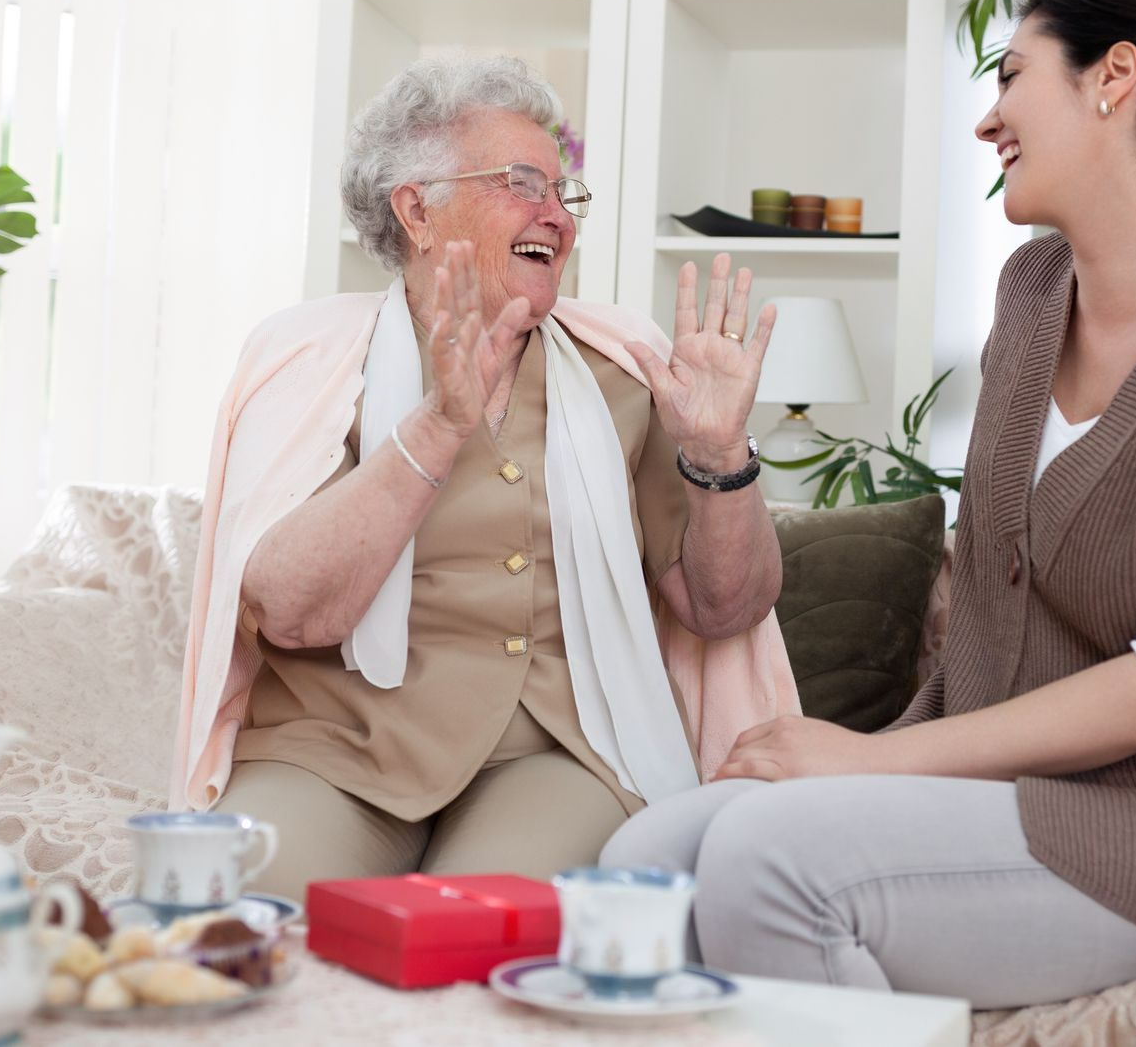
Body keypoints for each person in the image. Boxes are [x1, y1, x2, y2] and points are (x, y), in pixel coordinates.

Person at [601, 0, 1136, 1010]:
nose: (988, 118)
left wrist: (870, 765)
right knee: (641, 858)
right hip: (992, 791)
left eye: (1011, 75)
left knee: (766, 864)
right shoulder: (1030, 292)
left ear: (1112, 78)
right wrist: (892, 761)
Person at [171, 54, 800, 902]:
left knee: (475, 932)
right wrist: (438, 426)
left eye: (564, 194)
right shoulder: (310, 362)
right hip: (333, 751)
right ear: (416, 211)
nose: (558, 216)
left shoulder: (624, 369)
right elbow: (289, 609)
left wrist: (722, 453)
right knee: (236, 915)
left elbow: (725, 607)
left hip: (554, 752)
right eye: (522, 183)